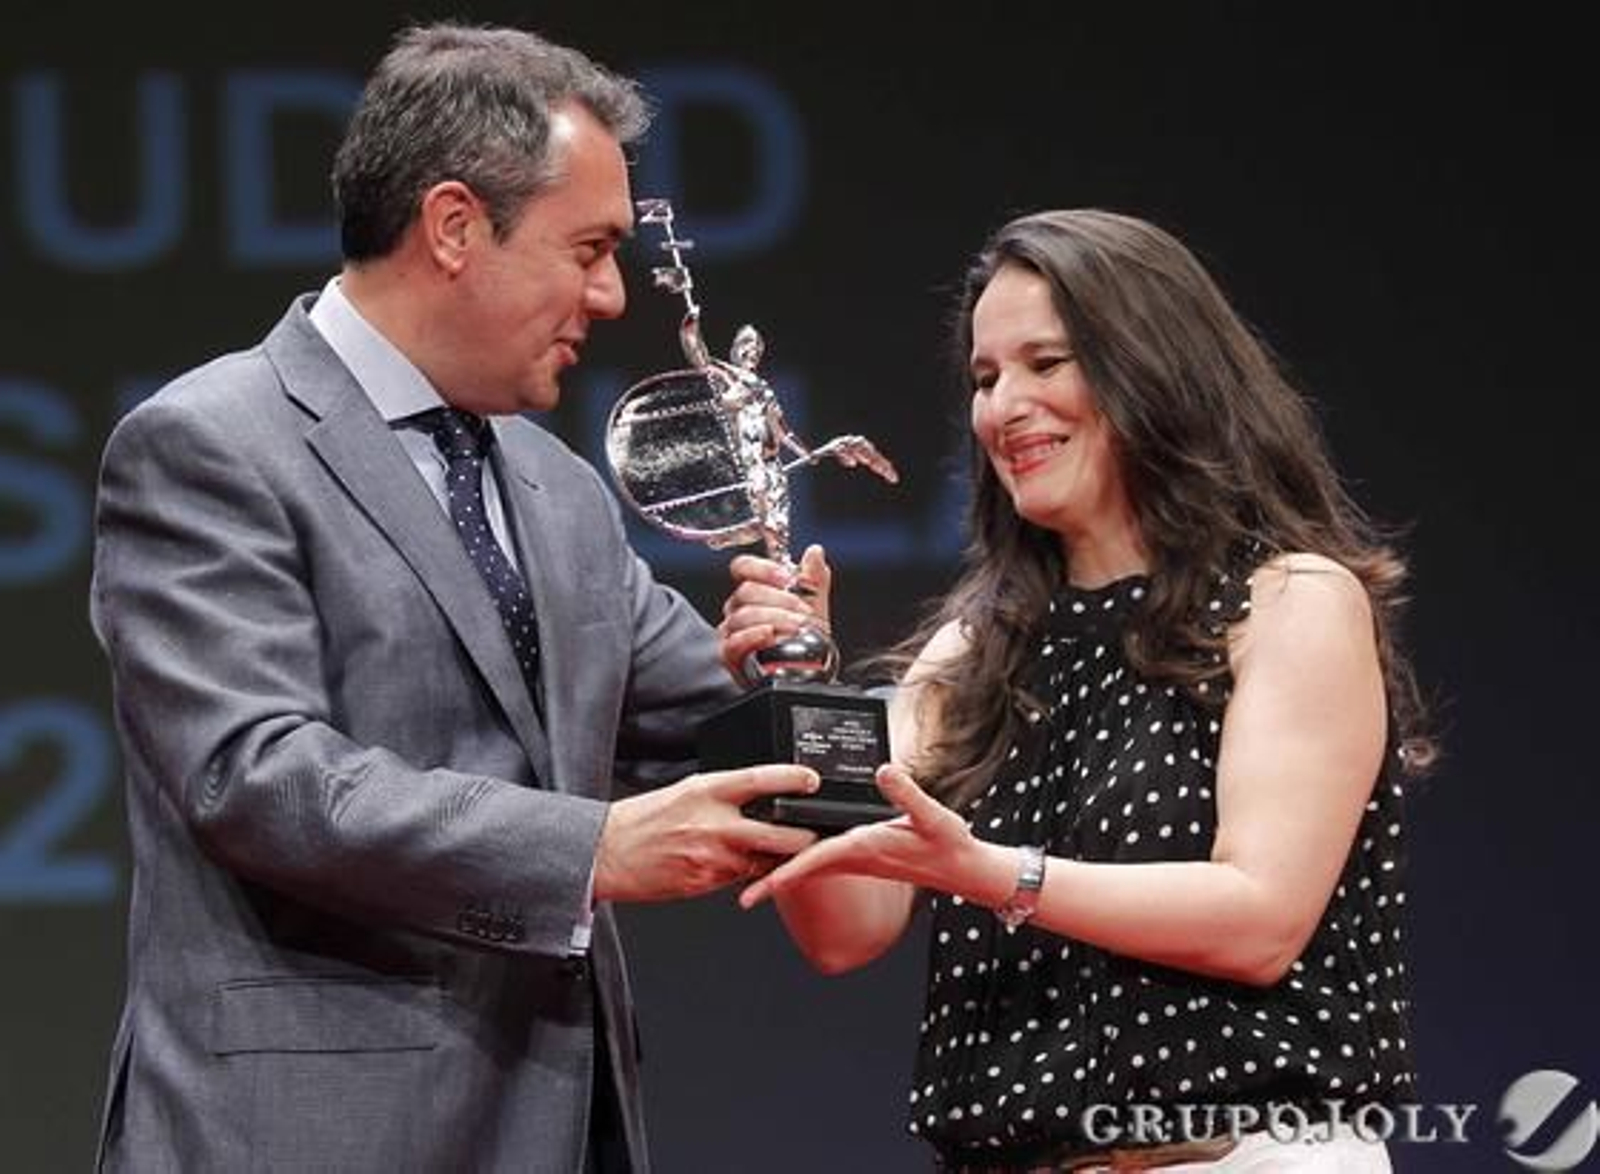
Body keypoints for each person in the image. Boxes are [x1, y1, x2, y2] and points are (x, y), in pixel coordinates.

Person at [88, 22, 823, 1174]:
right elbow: (257, 773)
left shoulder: (554, 490)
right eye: (587, 247)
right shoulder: (210, 445)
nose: (613, 294)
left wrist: (796, 682)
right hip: (304, 1139)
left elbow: (699, 728)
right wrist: (589, 850)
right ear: (453, 227)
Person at [723, 209, 1434, 1171]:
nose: (1003, 406)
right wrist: (800, 700)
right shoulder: (973, 652)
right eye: (984, 379)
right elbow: (848, 930)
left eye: (1046, 365)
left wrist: (991, 874)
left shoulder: (1290, 604)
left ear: (1152, 370)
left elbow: (1260, 920)